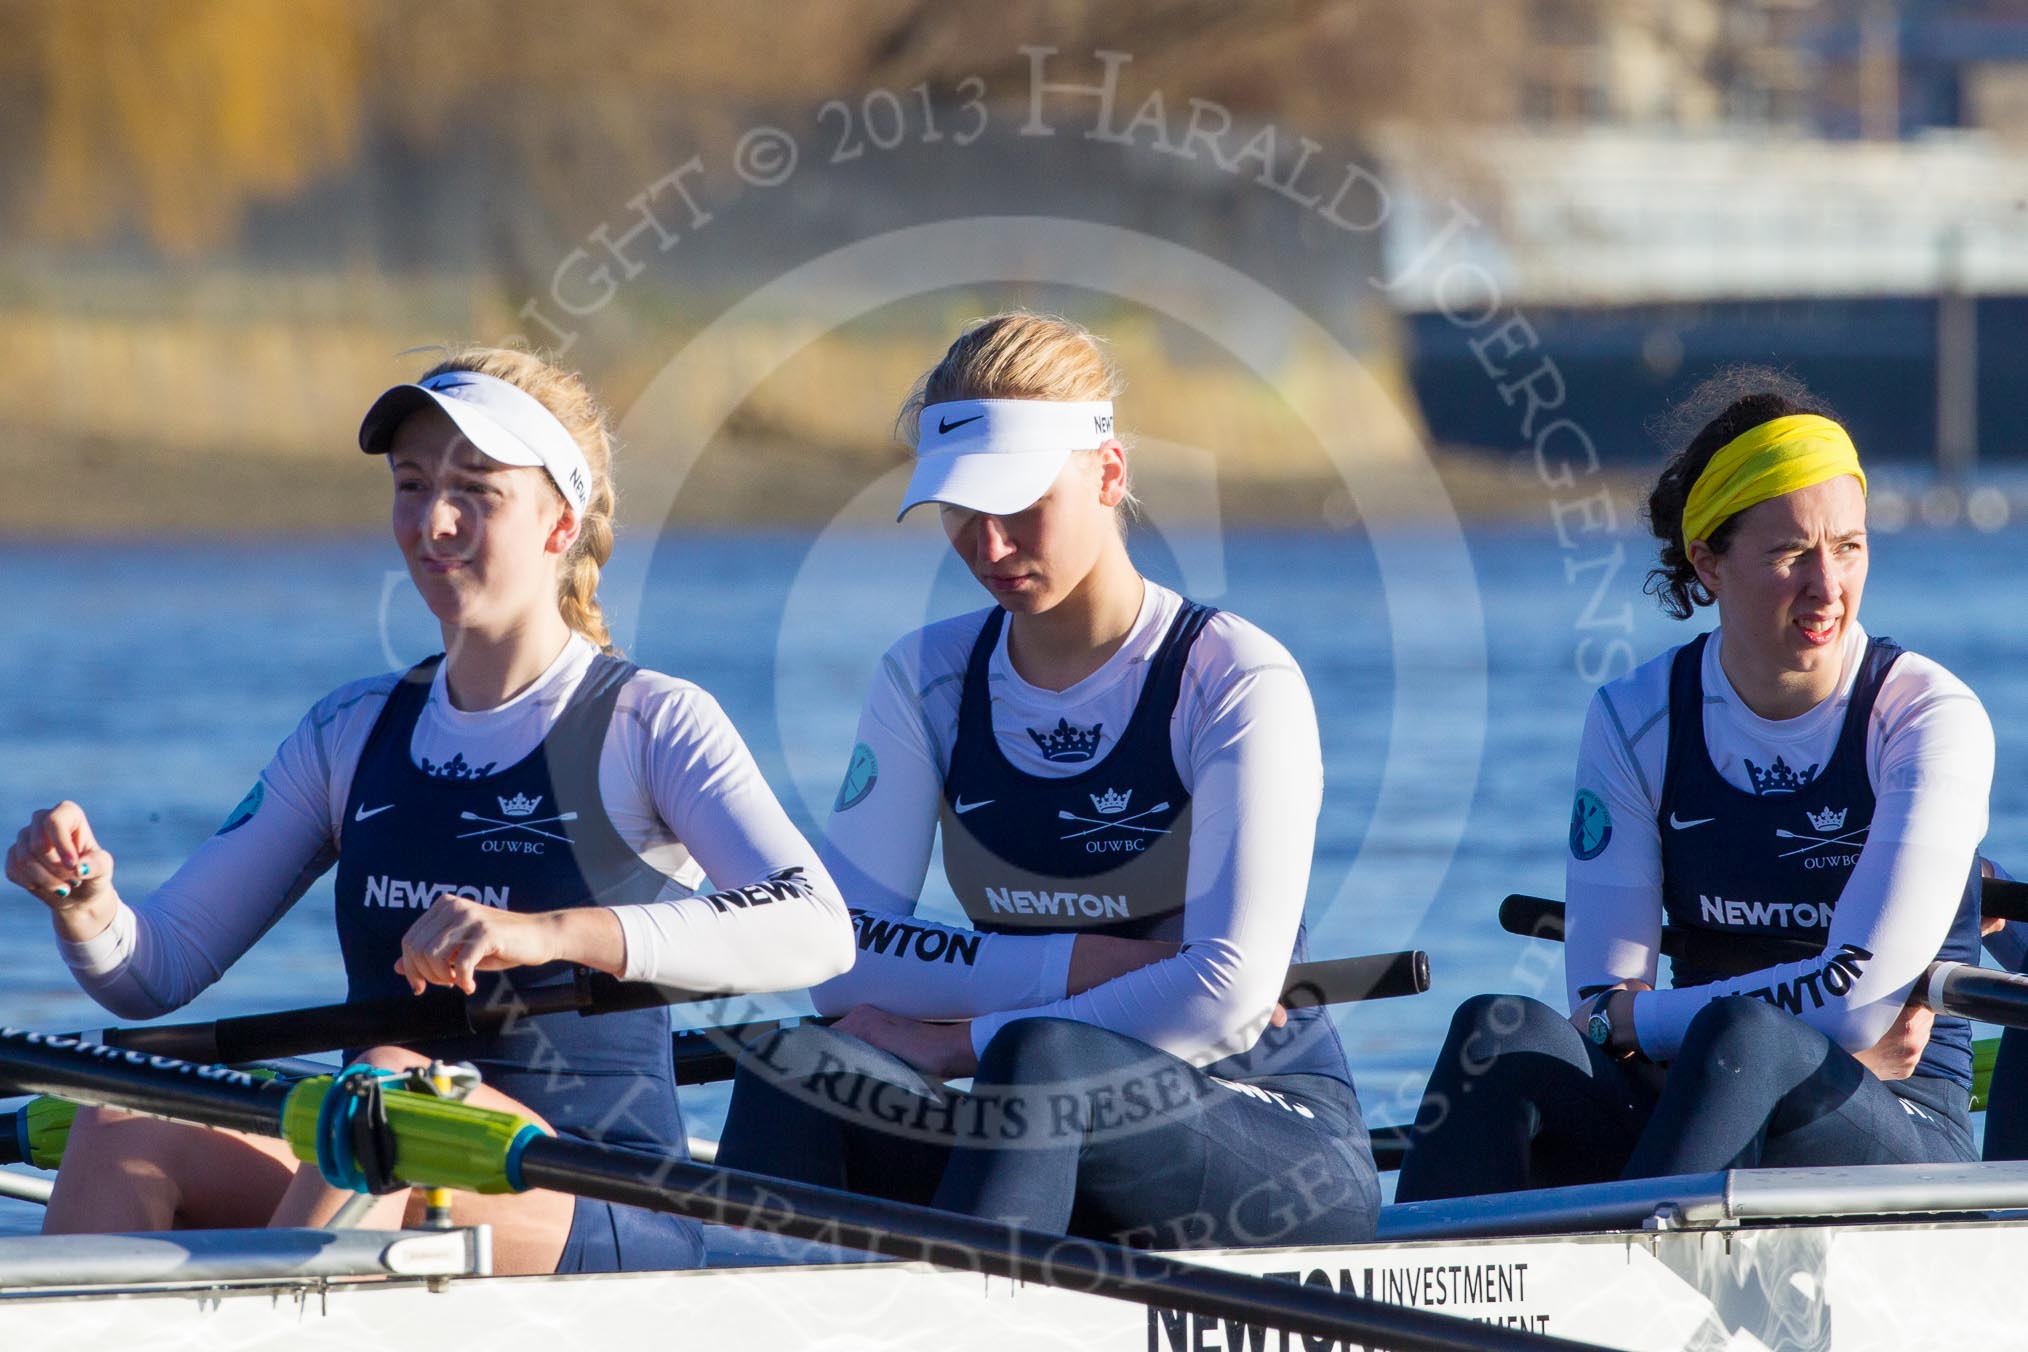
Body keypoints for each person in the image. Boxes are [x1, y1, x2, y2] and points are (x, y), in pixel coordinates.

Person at [3, 347, 854, 1272]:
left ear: (560, 522)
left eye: (477, 491)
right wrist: (85, 905)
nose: (434, 522)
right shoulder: (351, 731)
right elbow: (152, 975)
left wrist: (551, 933)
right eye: (412, 485)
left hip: (601, 1193)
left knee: (389, 1090)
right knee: (120, 1116)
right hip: (377, 1159)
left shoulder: (650, 722)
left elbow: (817, 928)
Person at [716, 312, 1379, 1249]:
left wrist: (955, 1039)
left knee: (1044, 1053)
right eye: (958, 507)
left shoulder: (1233, 676)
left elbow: (1227, 995)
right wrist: (1099, 968)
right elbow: (840, 955)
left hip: (1271, 1136)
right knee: (799, 1061)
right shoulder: (928, 679)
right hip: (1027, 1128)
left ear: (1108, 476)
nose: (987, 546)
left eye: (1019, 505)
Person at [1395, 368, 1990, 1201]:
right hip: (1701, 1094)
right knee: (1498, 1032)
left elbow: (1853, 1006)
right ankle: (1415, 1300)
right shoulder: (1635, 718)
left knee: (1745, 1033)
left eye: (1849, 546)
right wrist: (1635, 1021)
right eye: (1790, 553)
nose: (1829, 587)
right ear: (1708, 563)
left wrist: (1649, 1020)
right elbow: (1599, 1003)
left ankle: (1616, 1274)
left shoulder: (1927, 716)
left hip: (1893, 1116)